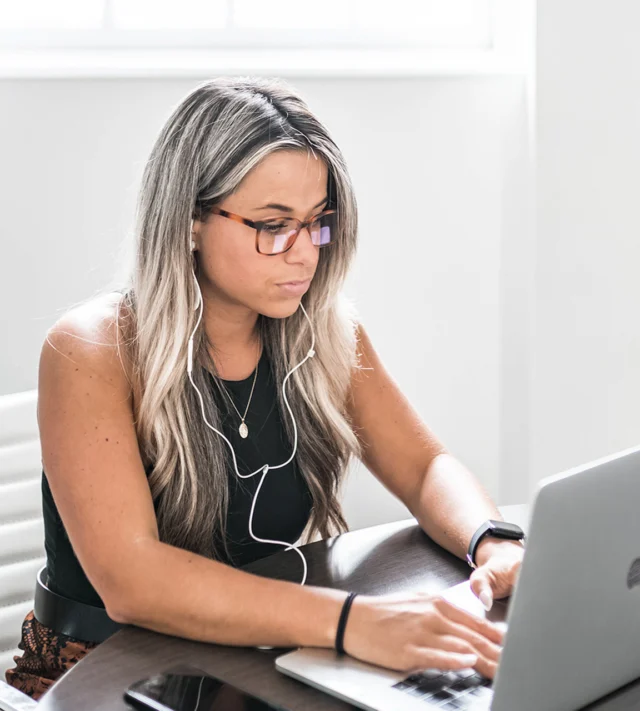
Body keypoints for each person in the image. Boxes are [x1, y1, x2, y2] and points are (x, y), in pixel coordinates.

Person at [5, 76, 523, 701]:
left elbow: (422, 465)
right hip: (107, 674)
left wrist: (489, 540)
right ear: (191, 220)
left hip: (252, 660)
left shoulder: (326, 335)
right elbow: (131, 580)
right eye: (273, 225)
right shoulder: (91, 350)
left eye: (317, 223)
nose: (304, 254)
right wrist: (353, 623)